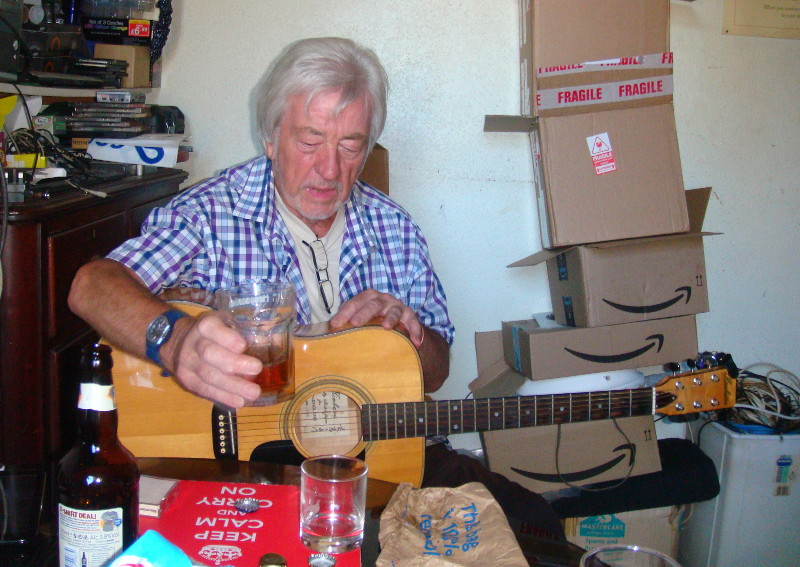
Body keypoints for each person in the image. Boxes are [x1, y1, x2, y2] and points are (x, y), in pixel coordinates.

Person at [68, 37, 564, 540]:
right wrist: (174, 341)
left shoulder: (395, 228)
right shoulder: (208, 214)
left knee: (535, 526)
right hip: (245, 475)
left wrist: (410, 333)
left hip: (387, 467)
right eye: (309, 142)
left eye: (350, 145)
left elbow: (435, 375)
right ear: (269, 137)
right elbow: (91, 286)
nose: (330, 169)